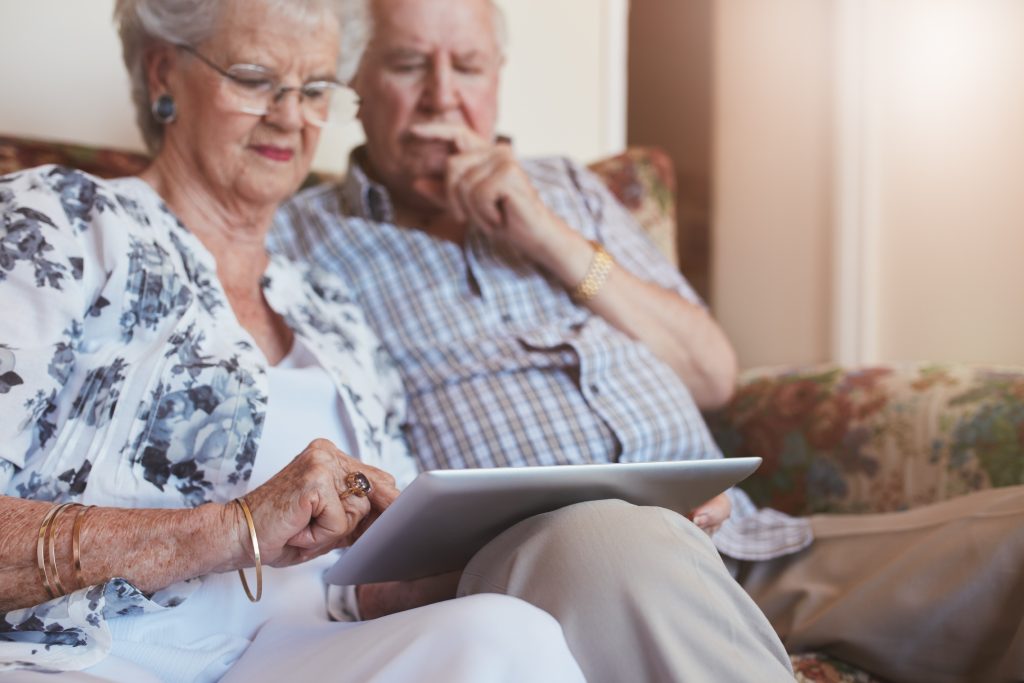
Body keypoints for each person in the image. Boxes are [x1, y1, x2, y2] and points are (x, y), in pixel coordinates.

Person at [0, 1, 798, 682]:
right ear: (162, 74)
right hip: (98, 654)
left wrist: (637, 521)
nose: (290, 114)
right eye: (254, 80)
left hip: (291, 651)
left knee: (503, 634)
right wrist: (232, 527)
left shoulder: (328, 306)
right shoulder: (57, 224)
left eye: (315, 88)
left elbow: (369, 592)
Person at [270, 0, 1024, 682]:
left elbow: (713, 374)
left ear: (497, 76)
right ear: (355, 83)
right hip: (570, 560)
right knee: (610, 544)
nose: (443, 96)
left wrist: (549, 237)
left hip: (744, 545)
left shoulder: (564, 191)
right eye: (408, 65)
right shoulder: (297, 238)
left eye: (467, 66)